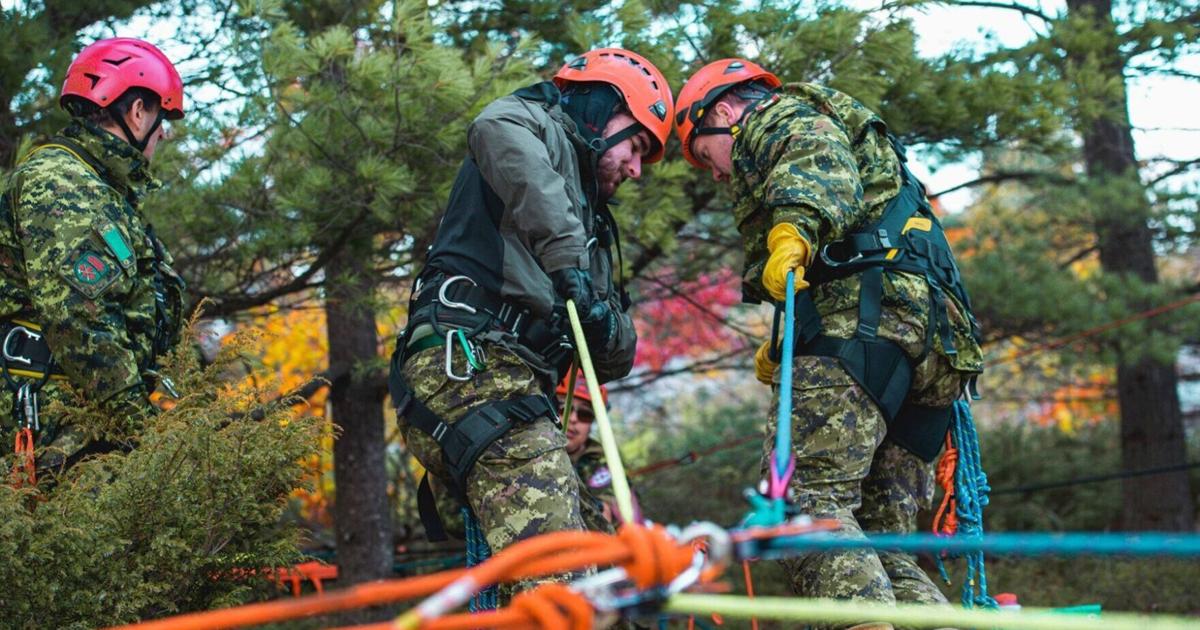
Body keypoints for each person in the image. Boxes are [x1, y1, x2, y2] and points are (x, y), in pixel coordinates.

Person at [674, 59, 984, 629]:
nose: (714, 174)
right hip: (933, 346)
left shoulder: (775, 115)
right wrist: (791, 339)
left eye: (701, 153)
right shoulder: (859, 143)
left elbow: (814, 162)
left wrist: (793, 228)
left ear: (722, 112)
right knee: (878, 540)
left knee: (804, 505)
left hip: (866, 326)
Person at [388, 48, 673, 599]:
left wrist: (599, 318)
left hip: (513, 387)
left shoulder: (590, 223)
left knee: (607, 565)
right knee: (561, 577)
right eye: (634, 146)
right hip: (472, 368)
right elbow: (494, 131)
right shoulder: (527, 122)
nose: (636, 170)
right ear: (598, 109)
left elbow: (617, 353)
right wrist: (567, 261)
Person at [0, 38, 187, 483]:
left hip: (86, 422)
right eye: (164, 120)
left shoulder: (103, 191)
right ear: (138, 111)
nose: (163, 133)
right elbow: (81, 321)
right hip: (58, 430)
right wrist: (142, 430)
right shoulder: (64, 183)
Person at [557, 372, 641, 530]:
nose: (573, 419)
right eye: (563, 408)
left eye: (585, 414)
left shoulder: (605, 462)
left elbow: (614, 510)